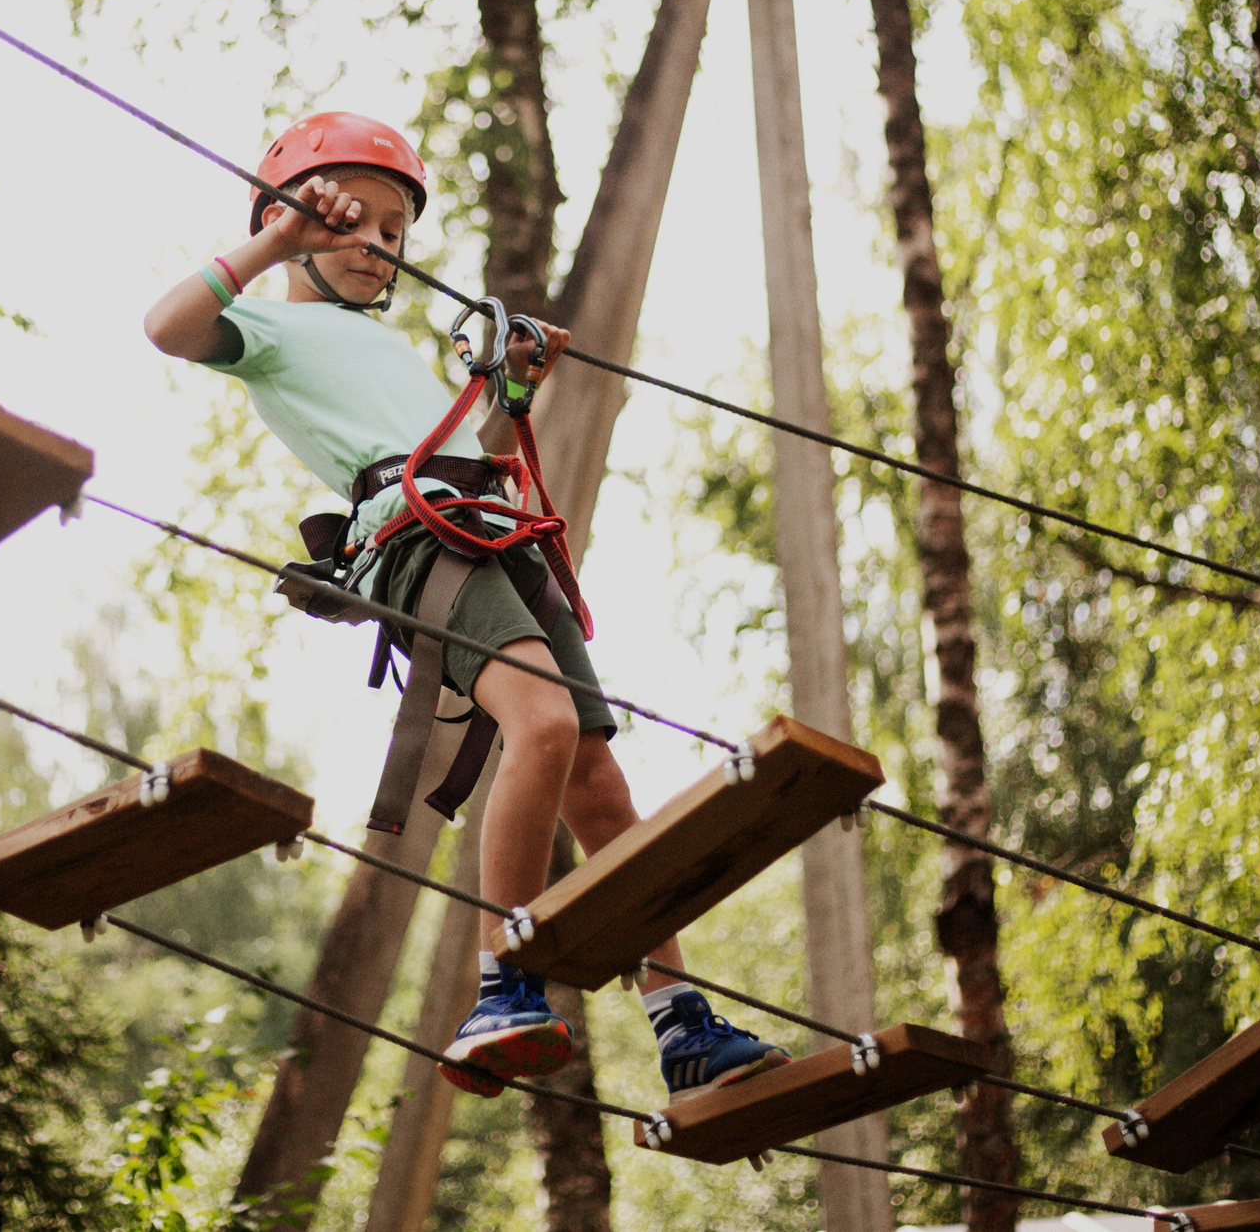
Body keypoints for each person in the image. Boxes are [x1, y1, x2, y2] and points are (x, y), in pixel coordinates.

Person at [143, 111, 788, 1101]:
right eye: (358, 223)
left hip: (494, 534)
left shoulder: (388, 350)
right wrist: (279, 239)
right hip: (420, 545)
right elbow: (167, 327)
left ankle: (680, 1020)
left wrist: (513, 396)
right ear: (285, 218)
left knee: (598, 784)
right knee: (539, 721)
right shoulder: (268, 328)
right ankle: (502, 982)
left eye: (395, 235)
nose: (379, 248)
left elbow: (476, 454)